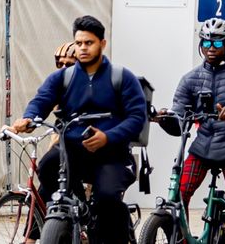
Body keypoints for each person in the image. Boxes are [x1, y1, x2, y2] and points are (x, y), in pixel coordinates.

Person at [12, 16, 147, 244]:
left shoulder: (122, 77)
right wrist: (28, 119)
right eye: (79, 43)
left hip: (112, 155)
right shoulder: (62, 78)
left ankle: (110, 228)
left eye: (89, 43)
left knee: (106, 199)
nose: (83, 48)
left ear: (102, 44)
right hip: (72, 151)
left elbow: (137, 118)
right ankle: (80, 210)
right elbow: (42, 101)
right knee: (46, 168)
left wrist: (108, 137)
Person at [164, 18, 225, 244]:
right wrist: (165, 118)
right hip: (203, 147)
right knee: (178, 196)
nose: (211, 48)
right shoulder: (190, 79)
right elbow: (178, 116)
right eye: (206, 43)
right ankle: (182, 240)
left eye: (217, 44)